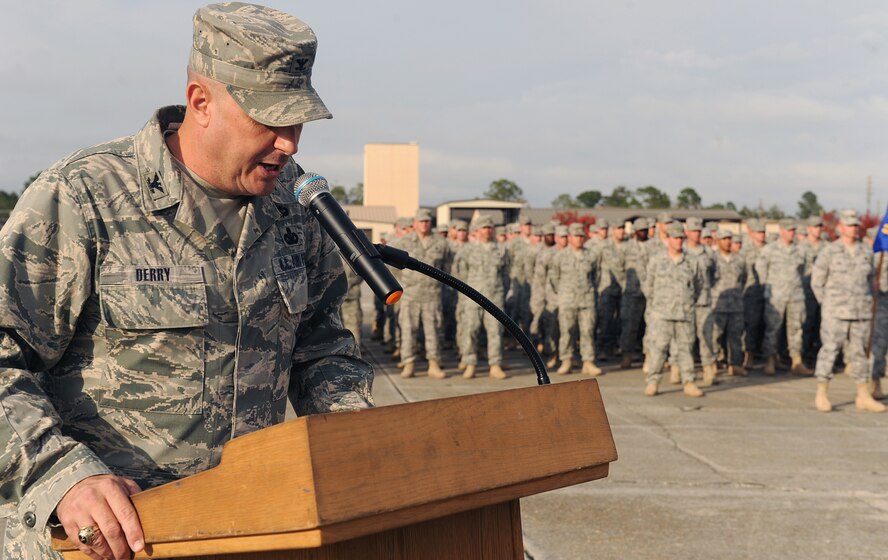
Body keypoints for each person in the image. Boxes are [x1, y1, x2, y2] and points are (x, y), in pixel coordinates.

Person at [0, 5, 374, 559]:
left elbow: (322, 350)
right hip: (113, 542)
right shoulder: (85, 196)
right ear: (201, 102)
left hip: (254, 531)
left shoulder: (296, 206)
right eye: (269, 119)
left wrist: (370, 447)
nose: (290, 143)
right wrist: (64, 474)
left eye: (297, 122)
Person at [811, 211, 883, 413]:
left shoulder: (865, 252)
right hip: (835, 312)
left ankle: (863, 394)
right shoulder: (830, 252)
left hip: (860, 312)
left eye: (855, 225)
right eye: (849, 225)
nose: (854, 228)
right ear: (840, 228)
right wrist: (827, 304)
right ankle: (822, 392)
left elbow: (870, 282)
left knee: (860, 354)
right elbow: (817, 282)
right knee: (830, 351)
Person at [642, 222, 706, 397]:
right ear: (668, 239)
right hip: (661, 314)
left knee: (685, 349)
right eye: (675, 238)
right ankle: (653, 381)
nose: (678, 241)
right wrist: (659, 304)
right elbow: (648, 286)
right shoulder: (657, 260)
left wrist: (686, 302)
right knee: (658, 348)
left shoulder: (691, 262)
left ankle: (689, 382)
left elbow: (698, 285)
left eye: (681, 238)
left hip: (684, 314)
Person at [391, 209, 451, 379]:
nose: (424, 224)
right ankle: (409, 363)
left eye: (427, 221)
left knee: (433, 331)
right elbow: (393, 268)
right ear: (414, 223)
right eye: (421, 221)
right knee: (408, 331)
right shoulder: (403, 243)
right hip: (410, 295)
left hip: (432, 295)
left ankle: (433, 364)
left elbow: (447, 267)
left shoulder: (441, 243)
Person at [454, 216, 509, 379]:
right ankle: (470, 363)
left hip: (494, 297)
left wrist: (499, 290)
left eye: (490, 227)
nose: (487, 230)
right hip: (473, 297)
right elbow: (460, 273)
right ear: (477, 230)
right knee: (471, 330)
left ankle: (495, 364)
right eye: (484, 228)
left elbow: (506, 274)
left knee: (495, 332)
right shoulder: (468, 250)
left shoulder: (501, 250)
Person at [756, 219, 811, 375]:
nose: (791, 233)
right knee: (773, 329)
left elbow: (805, 271)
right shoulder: (769, 250)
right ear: (781, 231)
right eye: (788, 230)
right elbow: (761, 270)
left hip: (795, 295)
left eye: (793, 230)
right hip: (776, 296)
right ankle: (770, 360)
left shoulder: (800, 251)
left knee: (796, 329)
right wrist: (768, 287)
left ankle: (796, 361)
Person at [550, 223, 603, 376]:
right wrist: (563, 293)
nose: (579, 239)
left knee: (587, 331)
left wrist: (590, 292)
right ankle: (566, 360)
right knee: (566, 331)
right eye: (576, 236)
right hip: (567, 299)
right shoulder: (560, 256)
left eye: (581, 236)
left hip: (586, 300)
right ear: (570, 238)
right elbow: (554, 278)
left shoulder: (591, 255)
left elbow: (596, 277)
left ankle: (588, 361)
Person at [709, 230, 748, 376]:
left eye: (729, 239)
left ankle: (736, 364)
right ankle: (712, 362)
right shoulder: (712, 260)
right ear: (718, 241)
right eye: (724, 239)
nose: (727, 242)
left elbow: (743, 279)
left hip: (735, 304)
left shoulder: (739, 260)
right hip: (717, 304)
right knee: (714, 336)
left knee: (736, 336)